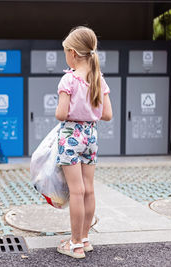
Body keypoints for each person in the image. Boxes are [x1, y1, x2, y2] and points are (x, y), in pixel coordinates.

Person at [55, 26, 113, 259]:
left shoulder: (69, 79)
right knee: (88, 190)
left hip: (71, 136)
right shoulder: (98, 78)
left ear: (73, 53)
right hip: (91, 136)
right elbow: (107, 115)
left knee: (76, 192)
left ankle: (75, 244)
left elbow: (61, 113)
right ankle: (85, 239)